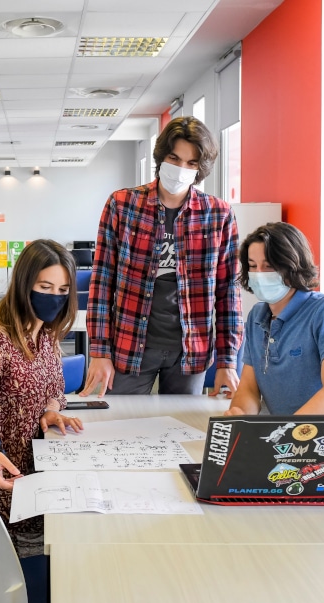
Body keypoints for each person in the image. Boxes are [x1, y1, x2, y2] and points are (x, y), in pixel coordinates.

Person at [81, 116, 243, 397]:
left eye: (191, 164)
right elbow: (102, 283)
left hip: (190, 351)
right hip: (130, 344)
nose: (181, 169)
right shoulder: (122, 205)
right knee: (123, 426)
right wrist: (99, 350)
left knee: (181, 430)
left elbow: (228, 292)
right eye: (174, 158)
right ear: (161, 158)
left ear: (200, 169)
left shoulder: (218, 214)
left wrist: (227, 360)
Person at [0, 239, 84, 560]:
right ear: (24, 285)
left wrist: (50, 411)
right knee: (77, 524)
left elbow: (55, 391)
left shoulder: (45, 333)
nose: (54, 297)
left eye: (63, 291)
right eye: (45, 286)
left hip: (34, 462)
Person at [225, 222, 324, 416]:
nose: (259, 274)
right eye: (252, 266)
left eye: (269, 266)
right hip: (285, 440)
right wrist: (240, 415)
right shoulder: (256, 317)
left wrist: (284, 432)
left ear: (293, 265)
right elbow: (249, 388)